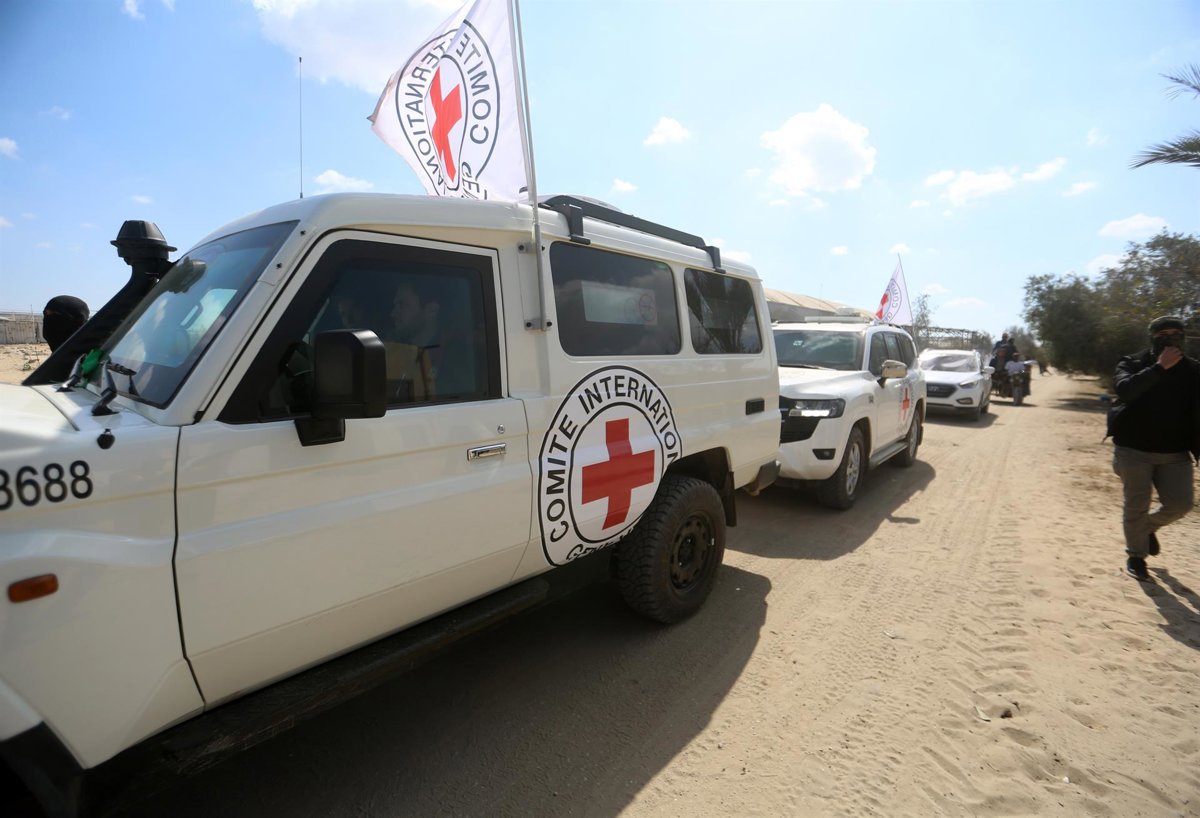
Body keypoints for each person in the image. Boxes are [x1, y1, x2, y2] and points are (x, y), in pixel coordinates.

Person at [1109, 316, 1200, 581]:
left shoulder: (1193, 369)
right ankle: (1136, 557)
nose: (1170, 339)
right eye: (1163, 334)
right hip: (1133, 450)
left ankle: (1146, 528)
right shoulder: (1132, 363)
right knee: (1136, 505)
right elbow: (1125, 390)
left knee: (1181, 505)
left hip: (1175, 453)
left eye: (1176, 334)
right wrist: (1160, 368)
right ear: (1152, 338)